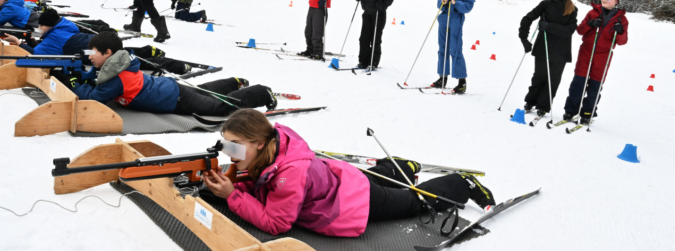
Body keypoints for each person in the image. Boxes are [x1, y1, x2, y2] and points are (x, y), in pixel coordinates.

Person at [201, 109, 495, 236]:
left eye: (236, 146)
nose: (230, 153)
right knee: (374, 178)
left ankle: (460, 184)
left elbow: (277, 223)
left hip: (354, 203)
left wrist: (232, 196)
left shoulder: (290, 174)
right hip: (339, 179)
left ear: (260, 143)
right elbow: (261, 186)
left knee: (412, 202)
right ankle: (401, 166)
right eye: (227, 145)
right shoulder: (273, 146)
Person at [70, 32, 277, 116]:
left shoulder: (116, 79)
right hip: (169, 89)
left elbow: (95, 98)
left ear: (108, 53)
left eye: (93, 53)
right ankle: (233, 83)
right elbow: (100, 77)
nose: (90, 57)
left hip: (174, 99)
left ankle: (262, 93)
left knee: (220, 108)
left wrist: (75, 84)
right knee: (203, 92)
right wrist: (84, 77)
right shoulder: (119, 63)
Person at [562, 0, 629, 124]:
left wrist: (620, 31)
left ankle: (587, 112)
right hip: (586, 51)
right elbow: (580, 30)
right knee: (578, 82)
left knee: (595, 85)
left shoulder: (622, 19)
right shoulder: (592, 13)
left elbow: (622, 41)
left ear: (616, 1)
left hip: (603, 55)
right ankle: (570, 110)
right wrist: (590, 24)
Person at [518, 0, 579, 117]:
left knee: (553, 79)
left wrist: (549, 27)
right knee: (538, 76)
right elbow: (527, 19)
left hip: (561, 51)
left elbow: (569, 30)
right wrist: (524, 39)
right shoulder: (545, 4)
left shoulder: (573, 9)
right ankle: (530, 102)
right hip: (542, 47)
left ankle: (544, 106)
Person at [430, 0, 475, 94]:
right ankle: (442, 78)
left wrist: (455, 2)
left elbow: (468, 6)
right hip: (444, 19)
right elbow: (439, 3)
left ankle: (461, 82)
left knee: (455, 49)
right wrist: (443, 1)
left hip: (456, 19)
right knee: (442, 48)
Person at [2, 8, 93, 55]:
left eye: (41, 25)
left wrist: (17, 41)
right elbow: (55, 48)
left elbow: (35, 55)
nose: (39, 27)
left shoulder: (55, 36)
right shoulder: (65, 25)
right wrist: (35, 43)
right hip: (93, 40)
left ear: (50, 25)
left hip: (96, 49)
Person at [354, 0, 394, 69]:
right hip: (367, 14)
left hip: (378, 15)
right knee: (364, 39)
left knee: (375, 39)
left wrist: (383, 6)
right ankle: (363, 62)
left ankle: (373, 62)